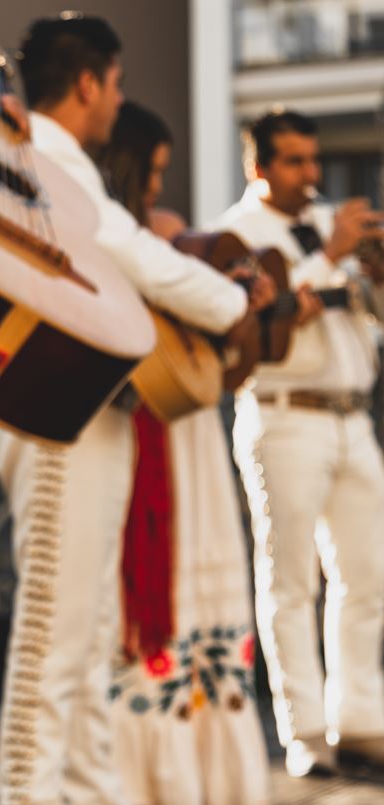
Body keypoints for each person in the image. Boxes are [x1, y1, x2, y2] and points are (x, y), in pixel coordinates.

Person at [0, 15, 257, 804]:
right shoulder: (44, 156)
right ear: (87, 84)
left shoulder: (34, 152)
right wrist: (229, 300)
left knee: (87, 639)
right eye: (115, 83)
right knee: (53, 636)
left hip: (83, 412)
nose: (117, 99)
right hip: (54, 414)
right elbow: (132, 254)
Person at [99, 100, 270, 805]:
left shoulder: (172, 236)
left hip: (187, 427)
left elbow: (228, 368)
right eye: (154, 170)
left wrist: (249, 311)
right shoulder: (124, 238)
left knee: (200, 606)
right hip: (133, 431)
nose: (158, 187)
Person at [218, 109, 384, 777]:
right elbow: (247, 316)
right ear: (258, 166)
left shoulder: (324, 229)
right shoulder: (235, 233)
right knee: (289, 578)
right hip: (282, 414)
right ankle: (304, 732)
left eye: (313, 160)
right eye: (293, 161)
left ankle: (361, 720)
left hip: (353, 416)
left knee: (366, 576)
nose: (311, 175)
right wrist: (329, 257)